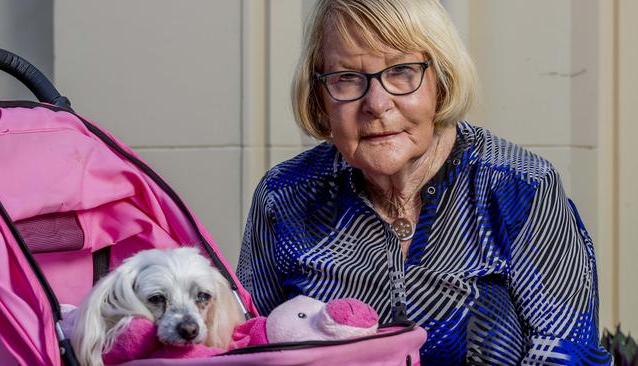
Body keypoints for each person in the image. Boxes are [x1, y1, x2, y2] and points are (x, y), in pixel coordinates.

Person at [236, 0, 611, 364]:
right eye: (347, 78)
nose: (377, 103)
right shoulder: (284, 197)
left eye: (401, 71)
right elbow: (247, 344)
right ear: (320, 96)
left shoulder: (519, 187)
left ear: (441, 80)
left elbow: (568, 354)